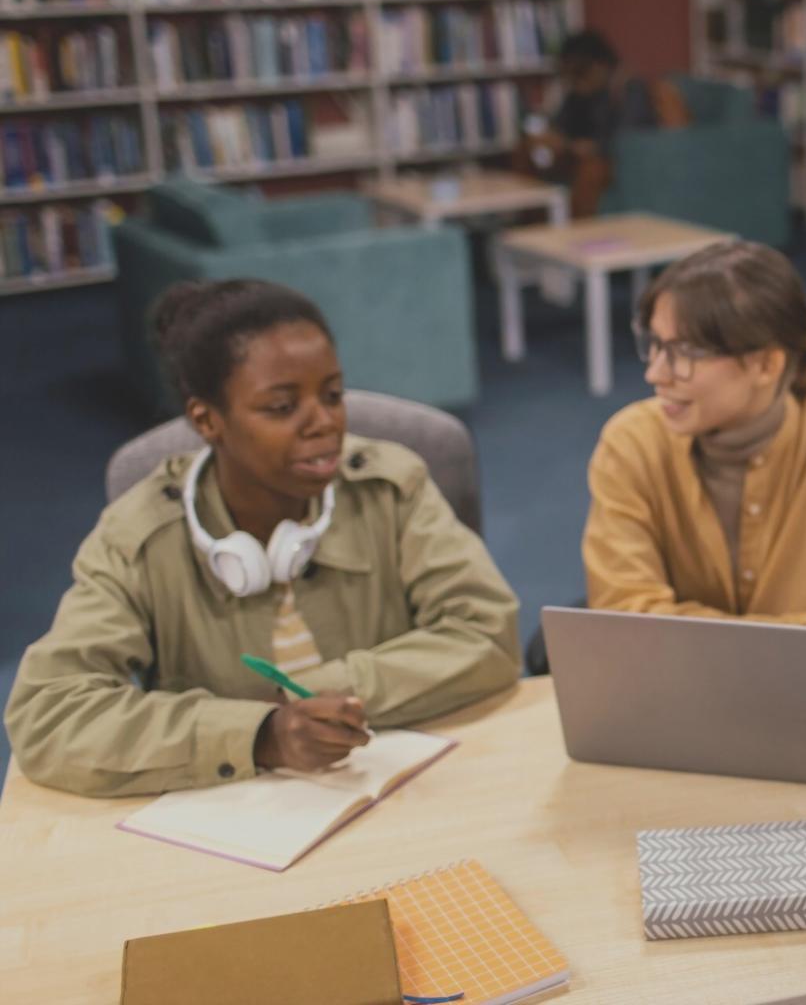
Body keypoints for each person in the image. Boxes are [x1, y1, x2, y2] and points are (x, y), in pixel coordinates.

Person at [4, 279, 522, 797]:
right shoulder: (138, 536)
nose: (325, 423)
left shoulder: (391, 487)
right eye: (281, 407)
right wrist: (258, 735)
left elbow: (488, 634)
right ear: (207, 420)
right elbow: (50, 713)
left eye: (333, 395)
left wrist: (329, 694)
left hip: (396, 782)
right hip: (232, 812)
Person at [581, 241, 806, 686]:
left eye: (684, 352)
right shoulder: (631, 443)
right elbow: (627, 615)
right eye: (654, 345)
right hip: (682, 694)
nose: (656, 373)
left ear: (766, 364)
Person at [513, 29, 620, 218]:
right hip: (572, 157)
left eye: (579, 73)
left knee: (591, 168)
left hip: (604, 163)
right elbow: (559, 128)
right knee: (525, 148)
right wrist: (546, 137)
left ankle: (578, 231)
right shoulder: (576, 96)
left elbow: (614, 144)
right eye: (570, 75)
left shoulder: (620, 93)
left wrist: (571, 145)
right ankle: (530, 222)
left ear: (599, 66)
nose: (574, 82)